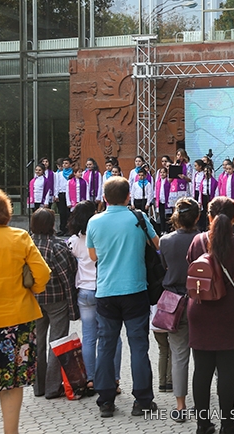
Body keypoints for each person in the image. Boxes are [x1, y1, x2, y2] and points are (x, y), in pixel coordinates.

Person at [86, 176, 160, 418]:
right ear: (129, 196)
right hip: (136, 289)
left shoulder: (94, 222)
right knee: (139, 345)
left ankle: (106, 400)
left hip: (106, 291)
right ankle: (143, 401)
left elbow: (94, 257)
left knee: (106, 345)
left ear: (104, 198)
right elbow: (156, 244)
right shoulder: (138, 218)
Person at [186, 196, 234, 434]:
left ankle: (203, 424)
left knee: (202, 370)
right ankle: (228, 424)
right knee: (228, 371)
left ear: (208, 217)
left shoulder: (198, 241)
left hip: (199, 310)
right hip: (229, 313)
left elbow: (190, 267)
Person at [0, 188, 51, 434]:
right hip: (17, 320)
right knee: (12, 383)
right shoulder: (20, 237)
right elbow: (43, 274)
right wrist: (32, 288)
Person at [67, 200, 122, 397]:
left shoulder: (73, 241)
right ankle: (113, 379)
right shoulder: (102, 234)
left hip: (84, 292)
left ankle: (90, 379)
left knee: (89, 337)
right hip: (104, 289)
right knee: (112, 337)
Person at [29, 208, 80, 399]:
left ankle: (38, 386)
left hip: (34, 300)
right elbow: (66, 278)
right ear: (51, 225)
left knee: (38, 344)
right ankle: (52, 388)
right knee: (57, 343)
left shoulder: (27, 244)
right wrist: (72, 307)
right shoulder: (57, 247)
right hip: (56, 300)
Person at [158, 197, 201, 422]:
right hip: (200, 300)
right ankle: (202, 400)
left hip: (174, 301)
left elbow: (165, 266)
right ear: (197, 217)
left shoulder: (165, 241)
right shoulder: (203, 239)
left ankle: (180, 405)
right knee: (203, 354)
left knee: (179, 355)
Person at [54, 157, 72, 235]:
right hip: (61, 194)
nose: (64, 165)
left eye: (66, 163)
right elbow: (56, 185)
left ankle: (69, 229)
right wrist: (56, 195)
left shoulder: (72, 174)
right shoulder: (59, 174)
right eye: (63, 163)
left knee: (69, 212)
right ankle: (62, 229)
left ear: (70, 164)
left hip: (70, 194)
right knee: (62, 212)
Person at [155, 166, 173, 235]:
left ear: (166, 173)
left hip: (167, 200)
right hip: (160, 200)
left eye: (164, 172)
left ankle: (167, 229)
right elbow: (156, 190)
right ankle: (162, 230)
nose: (162, 174)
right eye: (161, 173)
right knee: (162, 215)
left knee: (168, 216)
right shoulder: (158, 182)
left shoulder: (168, 181)